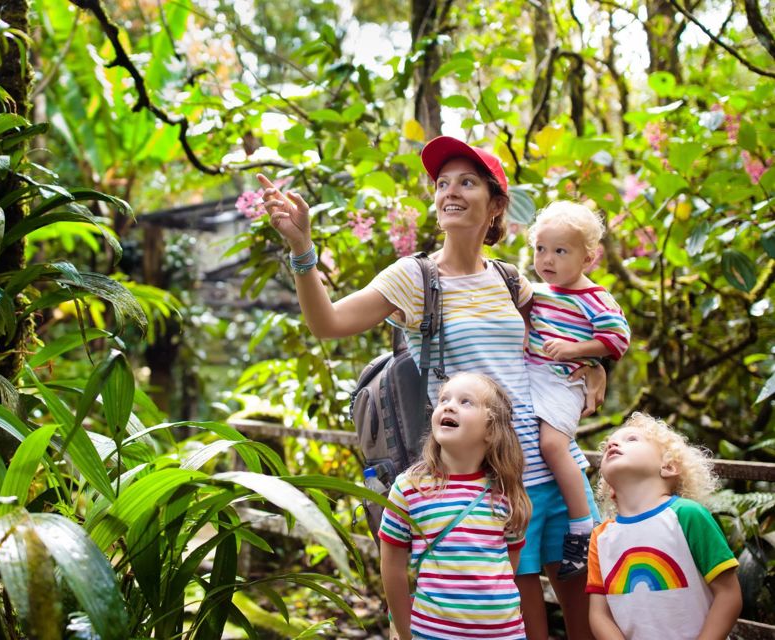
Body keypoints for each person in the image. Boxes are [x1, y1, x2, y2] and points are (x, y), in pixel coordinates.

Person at [258, 135, 605, 639]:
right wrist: (301, 249)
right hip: (496, 483)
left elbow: (562, 334)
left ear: (496, 204)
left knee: (587, 620)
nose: (451, 192)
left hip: (557, 467)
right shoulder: (414, 277)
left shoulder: (510, 279)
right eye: (443, 183)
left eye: (467, 182)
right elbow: (327, 323)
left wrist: (596, 366)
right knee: (523, 627)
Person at [378, 372, 531, 639]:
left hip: (504, 633)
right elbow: (392, 568)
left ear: (491, 430)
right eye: (444, 400)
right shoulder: (409, 488)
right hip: (432, 633)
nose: (448, 406)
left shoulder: (504, 492)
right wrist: (405, 632)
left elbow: (509, 564)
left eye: (465, 402)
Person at [526, 201, 631, 579]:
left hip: (563, 380)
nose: (547, 259)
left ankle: (581, 525)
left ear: (588, 258)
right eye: (540, 249)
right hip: (534, 378)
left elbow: (617, 339)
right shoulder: (538, 291)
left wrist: (578, 351)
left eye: (560, 251)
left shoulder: (594, 297)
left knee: (553, 446)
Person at [587, 413, 742, 640]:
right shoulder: (600, 538)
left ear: (668, 466)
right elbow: (599, 614)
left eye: (631, 439)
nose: (612, 444)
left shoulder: (688, 515)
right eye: (610, 443)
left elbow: (728, 594)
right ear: (609, 488)